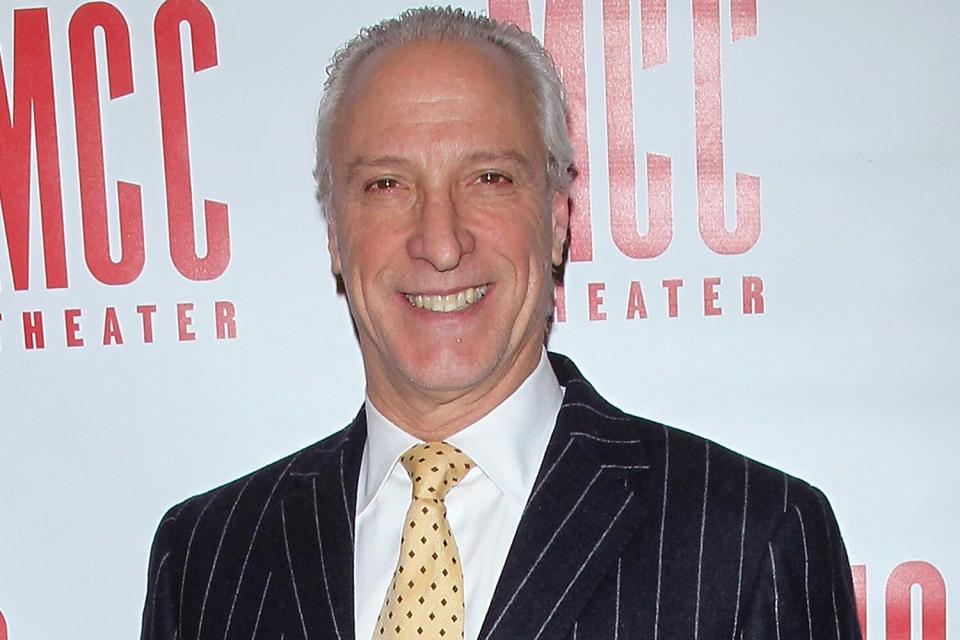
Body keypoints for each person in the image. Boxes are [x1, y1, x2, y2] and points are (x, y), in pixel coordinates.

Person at [140, 7, 861, 640]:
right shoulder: (208, 557)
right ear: (335, 232)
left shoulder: (748, 539)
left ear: (555, 220)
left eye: (489, 179)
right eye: (387, 185)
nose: (442, 242)